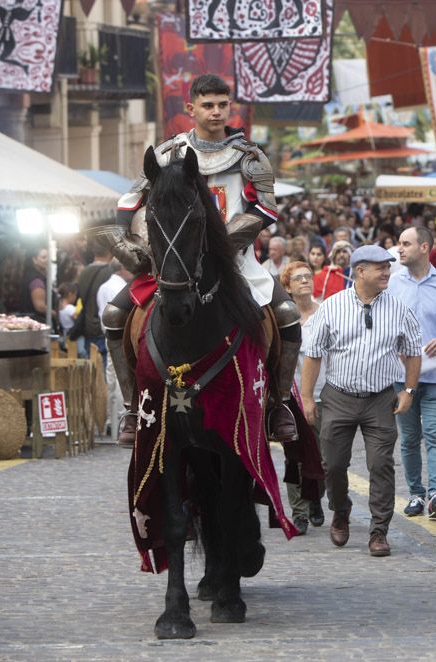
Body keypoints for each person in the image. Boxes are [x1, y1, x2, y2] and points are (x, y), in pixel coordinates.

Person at [94, 74, 302, 447]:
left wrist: (220, 242)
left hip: (236, 262)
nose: (216, 111)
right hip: (175, 263)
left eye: (222, 104)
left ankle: (279, 403)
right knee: (113, 315)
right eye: (208, 105)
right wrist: (126, 238)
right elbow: (131, 200)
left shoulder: (250, 157)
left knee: (286, 315)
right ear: (191, 109)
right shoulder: (165, 154)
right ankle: (131, 406)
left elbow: (266, 208)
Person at [300, 245, 421, 557]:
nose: (386, 272)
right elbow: (313, 354)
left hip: (380, 399)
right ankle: (340, 511)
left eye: (387, 266)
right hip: (337, 396)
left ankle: (379, 531)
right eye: (379, 267)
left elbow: (413, 350)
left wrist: (408, 390)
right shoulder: (331, 306)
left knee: (381, 464)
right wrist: (306, 398)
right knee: (334, 464)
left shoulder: (398, 308)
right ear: (359, 271)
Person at [389, 226, 436, 520]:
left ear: (424, 247)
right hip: (401, 377)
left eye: (406, 243)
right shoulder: (391, 284)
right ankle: (416, 493)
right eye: (399, 243)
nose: (400, 249)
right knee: (408, 438)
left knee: (434, 435)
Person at [280, 261, 326, 535]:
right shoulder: (282, 318)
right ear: (287, 287)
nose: (305, 281)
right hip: (292, 398)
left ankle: (315, 498)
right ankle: (299, 512)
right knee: (295, 458)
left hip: (323, 395)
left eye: (308, 276)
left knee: (325, 457)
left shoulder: (326, 313)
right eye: (298, 279)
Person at [96, 260, 131, 441]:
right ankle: (127, 417)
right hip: (119, 336)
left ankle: (113, 420)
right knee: (120, 379)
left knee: (112, 381)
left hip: (109, 336)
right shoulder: (120, 286)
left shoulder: (104, 286)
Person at [73, 244, 114, 363]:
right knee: (105, 371)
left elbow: (79, 298)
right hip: (103, 328)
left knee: (92, 369)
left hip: (87, 326)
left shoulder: (83, 272)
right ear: (110, 252)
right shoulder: (110, 272)